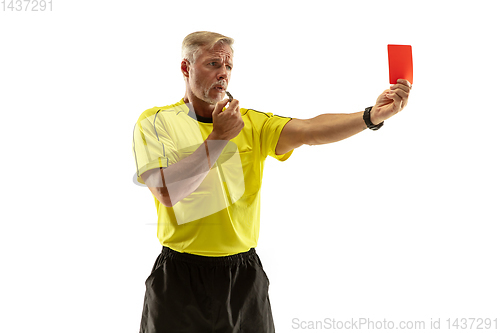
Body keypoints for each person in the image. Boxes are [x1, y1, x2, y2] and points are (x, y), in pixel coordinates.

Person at [132, 31, 412, 333]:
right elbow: (167, 191)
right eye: (213, 64)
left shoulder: (251, 123)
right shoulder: (155, 122)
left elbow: (309, 130)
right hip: (179, 277)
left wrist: (371, 116)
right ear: (186, 68)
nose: (223, 74)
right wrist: (218, 138)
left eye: (228, 67)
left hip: (243, 277)